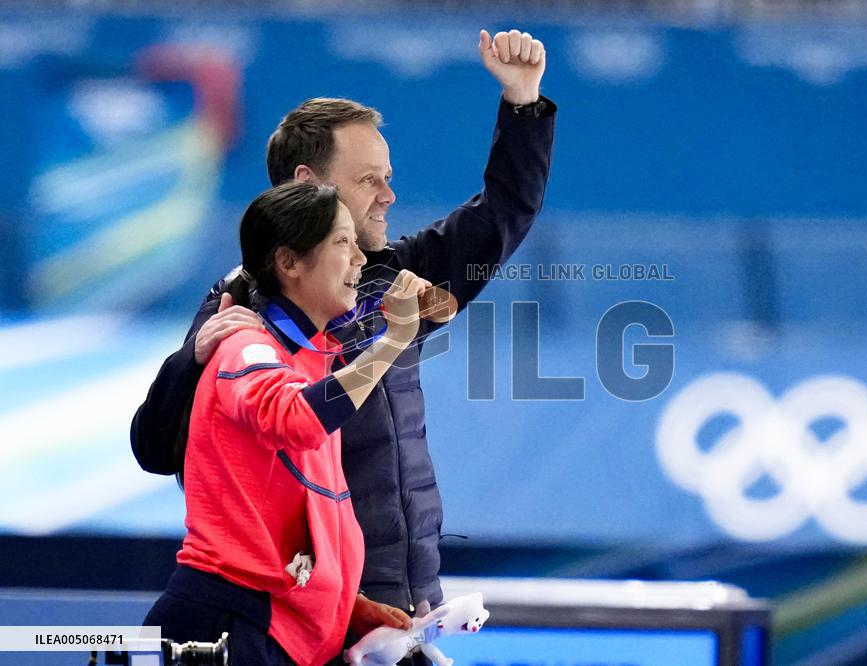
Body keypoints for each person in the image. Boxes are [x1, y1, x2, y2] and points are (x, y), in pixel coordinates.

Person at [132, 27, 555, 647]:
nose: (389, 195)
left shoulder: (397, 278)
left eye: (388, 176)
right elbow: (155, 447)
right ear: (308, 185)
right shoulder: (242, 306)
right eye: (368, 180)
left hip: (405, 605)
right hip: (308, 611)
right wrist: (188, 362)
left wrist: (523, 102)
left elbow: (502, 213)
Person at [145, 181, 422, 665]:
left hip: (273, 625)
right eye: (342, 242)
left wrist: (341, 605)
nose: (360, 258)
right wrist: (393, 341)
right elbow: (294, 420)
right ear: (289, 262)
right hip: (223, 627)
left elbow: (282, 518)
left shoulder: (311, 362)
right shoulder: (247, 347)